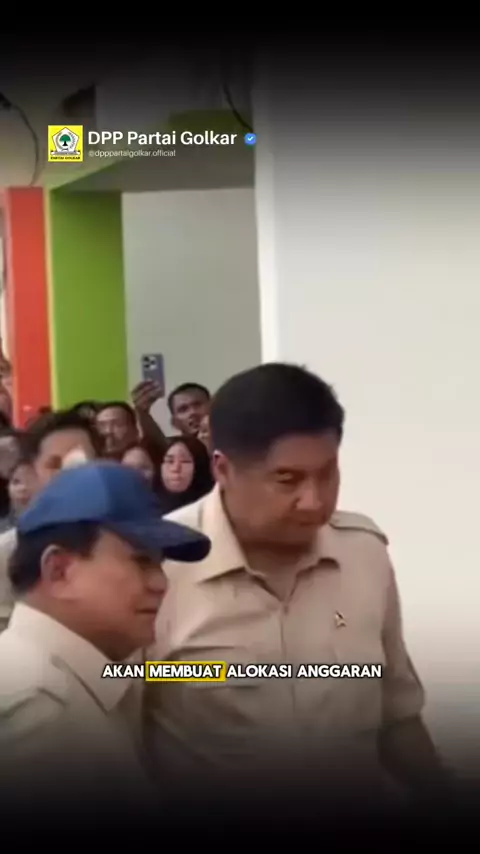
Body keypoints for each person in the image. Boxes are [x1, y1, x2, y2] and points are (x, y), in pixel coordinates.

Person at [146, 363, 448, 817]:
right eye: (287, 480)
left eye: (328, 473)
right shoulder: (157, 567)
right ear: (224, 469)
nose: (315, 501)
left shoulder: (363, 555)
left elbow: (398, 714)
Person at [0, 461, 210, 818]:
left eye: (158, 564)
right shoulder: (36, 711)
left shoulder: (92, 672)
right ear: (59, 571)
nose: (161, 583)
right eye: (141, 561)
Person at [0, 410, 100, 633]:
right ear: (33, 472)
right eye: (54, 464)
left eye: (81, 462)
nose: (69, 473)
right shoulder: (5, 554)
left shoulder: (129, 544)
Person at [157, 436, 214, 513]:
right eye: (170, 461)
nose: (175, 468)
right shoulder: (147, 507)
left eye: (185, 461)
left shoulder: (213, 508)